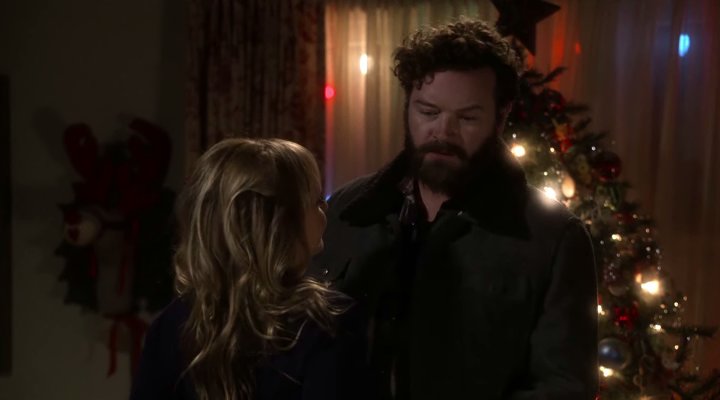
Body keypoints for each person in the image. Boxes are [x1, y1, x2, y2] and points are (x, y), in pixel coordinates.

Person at [310, 18, 598, 399]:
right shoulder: (350, 211)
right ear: (408, 107)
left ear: (501, 115)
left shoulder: (552, 238)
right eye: (428, 112)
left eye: (467, 118)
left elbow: (564, 388)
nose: (443, 132)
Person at [131, 138, 366, 400]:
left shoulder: (173, 323)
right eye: (316, 200)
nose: (326, 207)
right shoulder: (327, 320)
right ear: (277, 225)